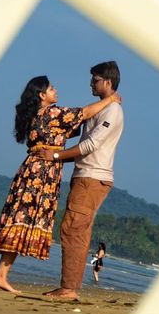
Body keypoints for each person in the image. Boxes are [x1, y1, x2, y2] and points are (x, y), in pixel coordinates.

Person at [0, 75, 121, 293]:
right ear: (42, 95)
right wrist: (110, 101)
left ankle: (1, 275)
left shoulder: (40, 115)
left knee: (23, 224)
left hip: (39, 170)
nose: (56, 90)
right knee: (20, 221)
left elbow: (78, 124)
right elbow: (83, 114)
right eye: (51, 89)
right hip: (40, 172)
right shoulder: (52, 113)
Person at [38, 61, 124, 300]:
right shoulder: (103, 108)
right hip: (87, 176)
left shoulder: (112, 111)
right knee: (78, 231)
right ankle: (70, 287)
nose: (90, 84)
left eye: (95, 80)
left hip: (92, 177)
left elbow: (90, 145)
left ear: (107, 82)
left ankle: (68, 289)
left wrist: (54, 156)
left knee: (72, 229)